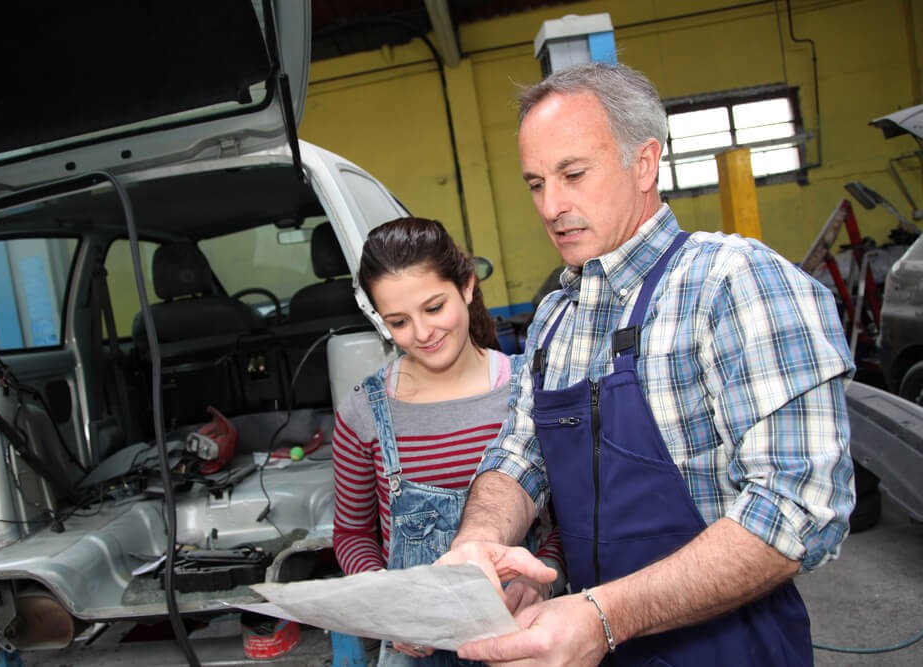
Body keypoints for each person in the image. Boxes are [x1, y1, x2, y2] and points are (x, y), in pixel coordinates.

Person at [436, 62, 856, 666]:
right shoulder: (556, 316)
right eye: (535, 183)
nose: (551, 206)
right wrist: (480, 543)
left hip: (732, 651)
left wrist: (605, 617)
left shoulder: (733, 283)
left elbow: (799, 508)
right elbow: (520, 455)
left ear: (645, 163)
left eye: (573, 174)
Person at [331, 217, 565, 666]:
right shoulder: (363, 413)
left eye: (434, 308)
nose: (422, 333)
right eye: (399, 321)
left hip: (526, 638)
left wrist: (541, 578)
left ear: (467, 287)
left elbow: (567, 520)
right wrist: (385, 601)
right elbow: (351, 534)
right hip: (414, 652)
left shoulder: (528, 389)